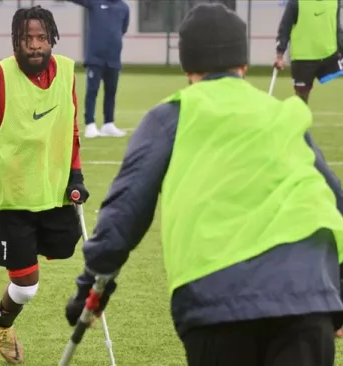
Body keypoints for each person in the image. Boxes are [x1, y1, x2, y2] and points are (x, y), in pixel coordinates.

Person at [64, 3, 343, 366]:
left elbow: (125, 210)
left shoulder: (171, 115)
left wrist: (91, 284)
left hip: (217, 300)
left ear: (187, 67)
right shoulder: (281, 112)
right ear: (242, 65)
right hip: (309, 299)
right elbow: (335, 200)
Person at [0, 5, 90, 364]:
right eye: (26, 38)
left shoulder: (67, 73)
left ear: (52, 39)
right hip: (13, 200)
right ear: (16, 40)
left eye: (41, 38)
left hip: (55, 194)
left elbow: (70, 127)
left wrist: (75, 175)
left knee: (65, 248)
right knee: (26, 287)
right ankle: (1, 321)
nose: (34, 46)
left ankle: (32, 251)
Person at [66, 0, 130, 138]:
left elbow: (122, 30)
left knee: (111, 92)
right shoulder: (95, 2)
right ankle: (90, 124)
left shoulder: (124, 8)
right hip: (95, 58)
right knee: (92, 91)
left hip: (113, 58)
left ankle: (108, 124)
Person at [274, 0, 343, 104]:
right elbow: (284, 29)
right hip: (303, 59)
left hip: (330, 56)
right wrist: (279, 55)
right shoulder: (295, 2)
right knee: (301, 101)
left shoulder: (335, 1)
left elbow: (337, 28)